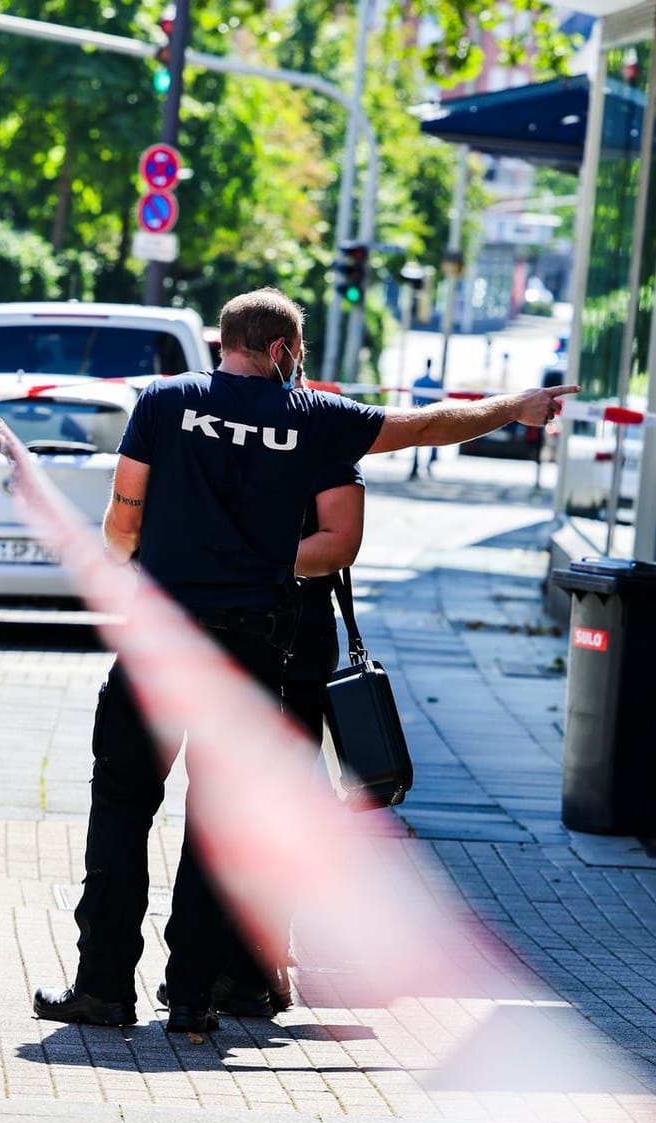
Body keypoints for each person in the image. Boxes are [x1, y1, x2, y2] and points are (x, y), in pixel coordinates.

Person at [33, 285, 576, 1034]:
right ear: (284, 349)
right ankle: (190, 997)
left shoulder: (162, 402)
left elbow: (123, 517)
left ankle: (102, 988)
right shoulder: (314, 419)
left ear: (222, 341)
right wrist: (513, 408)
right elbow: (424, 425)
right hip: (250, 644)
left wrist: (140, 556)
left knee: (122, 805)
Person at [156, 464, 365, 1018]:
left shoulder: (239, 423)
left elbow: (339, 544)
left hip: (269, 645)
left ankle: (237, 968)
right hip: (288, 642)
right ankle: (244, 967)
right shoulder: (320, 430)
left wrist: (239, 559)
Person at [409, 358, 443, 477]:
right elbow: (439, 400)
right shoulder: (435, 382)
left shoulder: (418, 381)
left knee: (416, 442)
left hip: (418, 414)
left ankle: (414, 466)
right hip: (431, 415)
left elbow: (412, 399)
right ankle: (429, 465)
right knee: (433, 441)